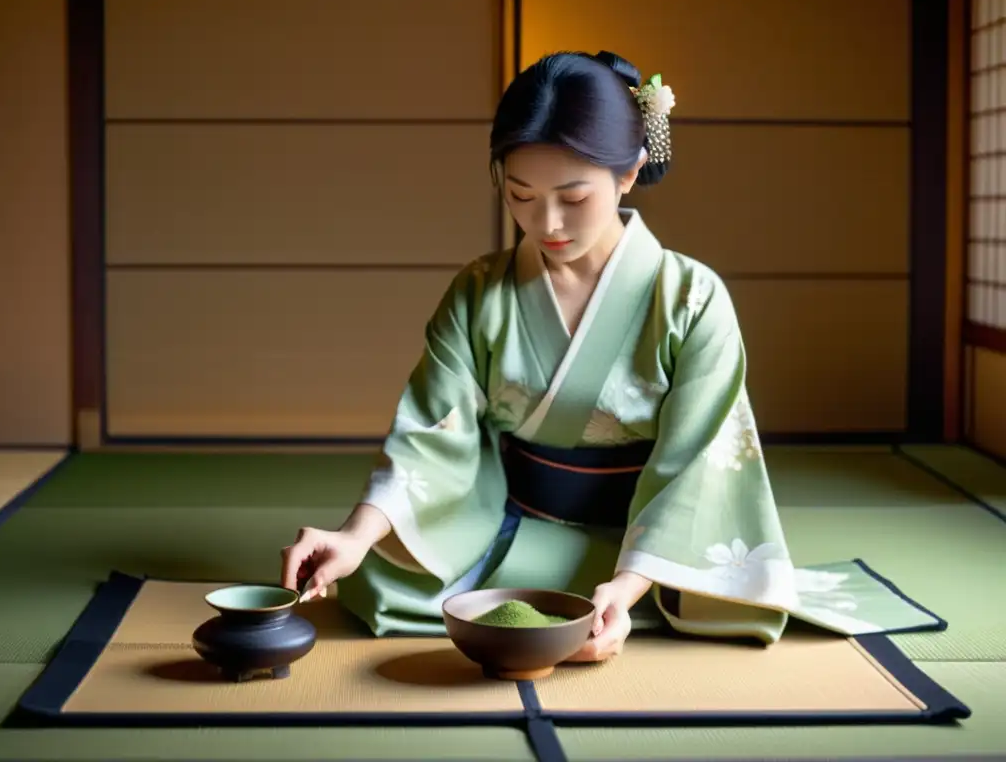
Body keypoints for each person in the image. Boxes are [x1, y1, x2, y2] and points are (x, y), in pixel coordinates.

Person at [280, 50, 941, 661]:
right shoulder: (481, 293)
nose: (548, 226)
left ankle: (627, 594)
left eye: (574, 198)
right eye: (520, 197)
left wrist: (623, 591)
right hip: (512, 530)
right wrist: (356, 535)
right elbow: (429, 433)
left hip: (650, 550)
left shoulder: (689, 298)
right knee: (381, 590)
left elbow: (699, 459)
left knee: (679, 601)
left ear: (628, 173)